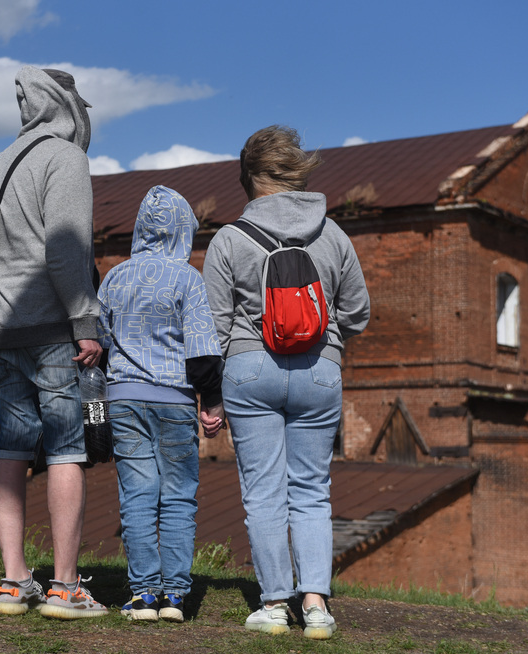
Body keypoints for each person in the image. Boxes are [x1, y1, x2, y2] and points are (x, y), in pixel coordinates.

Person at [202, 125, 370, 639]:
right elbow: (358, 312)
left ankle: (274, 604)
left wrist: (221, 381)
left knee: (264, 492)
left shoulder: (229, 240)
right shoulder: (334, 234)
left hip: (251, 371)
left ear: (248, 178)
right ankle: (316, 604)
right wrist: (330, 348)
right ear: (295, 175)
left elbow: (213, 324)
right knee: (312, 491)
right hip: (319, 370)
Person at [0, 65, 107, 620]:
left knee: (11, 446)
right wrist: (86, 321)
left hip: (3, 330)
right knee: (64, 450)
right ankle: (65, 586)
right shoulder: (65, 158)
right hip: (55, 330)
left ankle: (13, 582)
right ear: (67, 105)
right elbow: (65, 251)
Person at [97, 185, 225, 623]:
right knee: (177, 497)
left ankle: (143, 594)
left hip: (123, 399)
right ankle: (174, 596)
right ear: (181, 231)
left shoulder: (115, 276)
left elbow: (99, 342)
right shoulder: (188, 278)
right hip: (173, 399)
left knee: (136, 494)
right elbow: (203, 351)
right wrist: (211, 402)